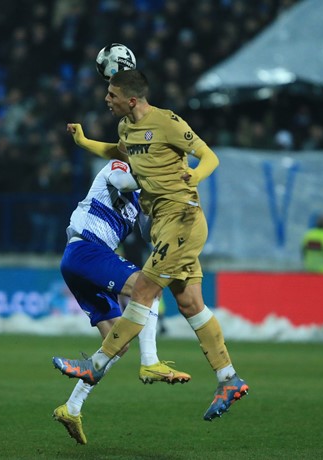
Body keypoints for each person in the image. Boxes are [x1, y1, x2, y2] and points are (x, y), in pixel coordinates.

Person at [53, 69, 249, 423]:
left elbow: (209, 156)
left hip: (182, 219)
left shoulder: (169, 122)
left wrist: (196, 175)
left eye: (111, 95)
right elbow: (118, 151)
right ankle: (228, 378)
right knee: (190, 304)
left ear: (131, 99)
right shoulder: (126, 128)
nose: (106, 99)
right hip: (164, 225)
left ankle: (94, 366)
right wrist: (84, 143)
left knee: (142, 290)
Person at [53, 156, 191, 445]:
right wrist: (156, 177)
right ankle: (151, 361)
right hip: (87, 250)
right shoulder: (120, 166)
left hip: (82, 262)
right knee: (149, 285)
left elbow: (145, 232)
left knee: (118, 343)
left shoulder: (141, 194)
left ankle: (72, 407)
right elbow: (121, 182)